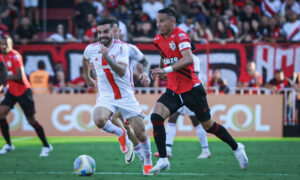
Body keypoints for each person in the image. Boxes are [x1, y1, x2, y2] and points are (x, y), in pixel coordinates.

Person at [149, 8, 248, 174]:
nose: (158, 24)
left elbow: (187, 59)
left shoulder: (180, 35)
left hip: (192, 90)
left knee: (208, 126)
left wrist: (165, 71)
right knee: (156, 117)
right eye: (157, 21)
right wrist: (160, 71)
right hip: (174, 90)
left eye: (162, 21)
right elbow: (164, 56)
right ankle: (164, 159)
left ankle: (237, 147)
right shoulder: (157, 39)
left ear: (172, 22)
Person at [82, 19, 153, 175]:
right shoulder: (91, 49)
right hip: (106, 95)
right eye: (100, 32)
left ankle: (147, 161)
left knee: (140, 133)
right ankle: (121, 134)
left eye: (107, 31)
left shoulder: (124, 48)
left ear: (116, 31)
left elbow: (122, 71)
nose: (103, 35)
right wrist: (91, 76)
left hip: (126, 95)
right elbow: (87, 63)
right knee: (99, 119)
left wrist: (145, 74)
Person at [0, 35, 52, 156]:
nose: (3, 46)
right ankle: (9, 144)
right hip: (12, 91)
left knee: (31, 120)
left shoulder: (16, 56)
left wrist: (3, 77)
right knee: (1, 115)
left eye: (6, 44)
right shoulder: (1, 57)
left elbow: (19, 76)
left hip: (24, 91)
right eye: (2, 44)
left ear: (11, 44)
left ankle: (46, 146)